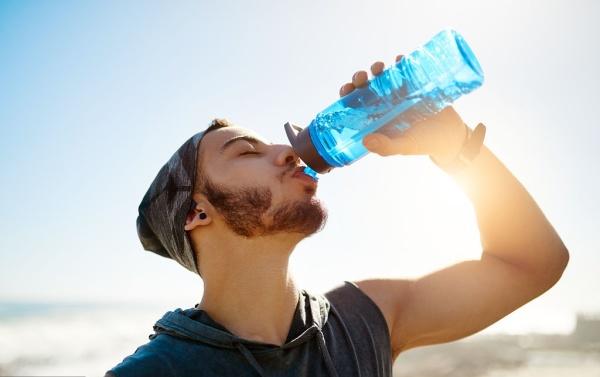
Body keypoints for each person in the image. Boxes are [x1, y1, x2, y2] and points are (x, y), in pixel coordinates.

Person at [106, 55, 569, 377]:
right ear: (197, 213)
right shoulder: (156, 371)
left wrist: (455, 149)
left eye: (275, 143)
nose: (288, 152)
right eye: (248, 152)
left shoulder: (365, 319)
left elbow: (534, 264)